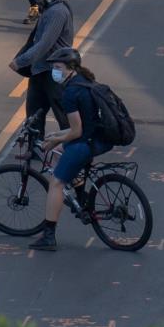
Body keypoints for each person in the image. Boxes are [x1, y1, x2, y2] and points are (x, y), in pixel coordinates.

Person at [35, 46, 114, 253]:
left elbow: (76, 131)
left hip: (86, 142)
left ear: (70, 68)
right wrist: (58, 136)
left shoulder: (70, 92)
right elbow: (82, 126)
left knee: (56, 183)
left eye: (58, 67)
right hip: (101, 138)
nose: (55, 71)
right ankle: (81, 197)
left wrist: (53, 141)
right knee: (60, 153)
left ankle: (49, 236)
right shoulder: (86, 81)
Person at [12, 0, 74, 139]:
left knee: (63, 116)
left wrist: (21, 61)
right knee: (33, 115)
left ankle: (72, 150)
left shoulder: (57, 12)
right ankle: (33, 151)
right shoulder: (52, 6)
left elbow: (44, 44)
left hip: (54, 73)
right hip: (40, 70)